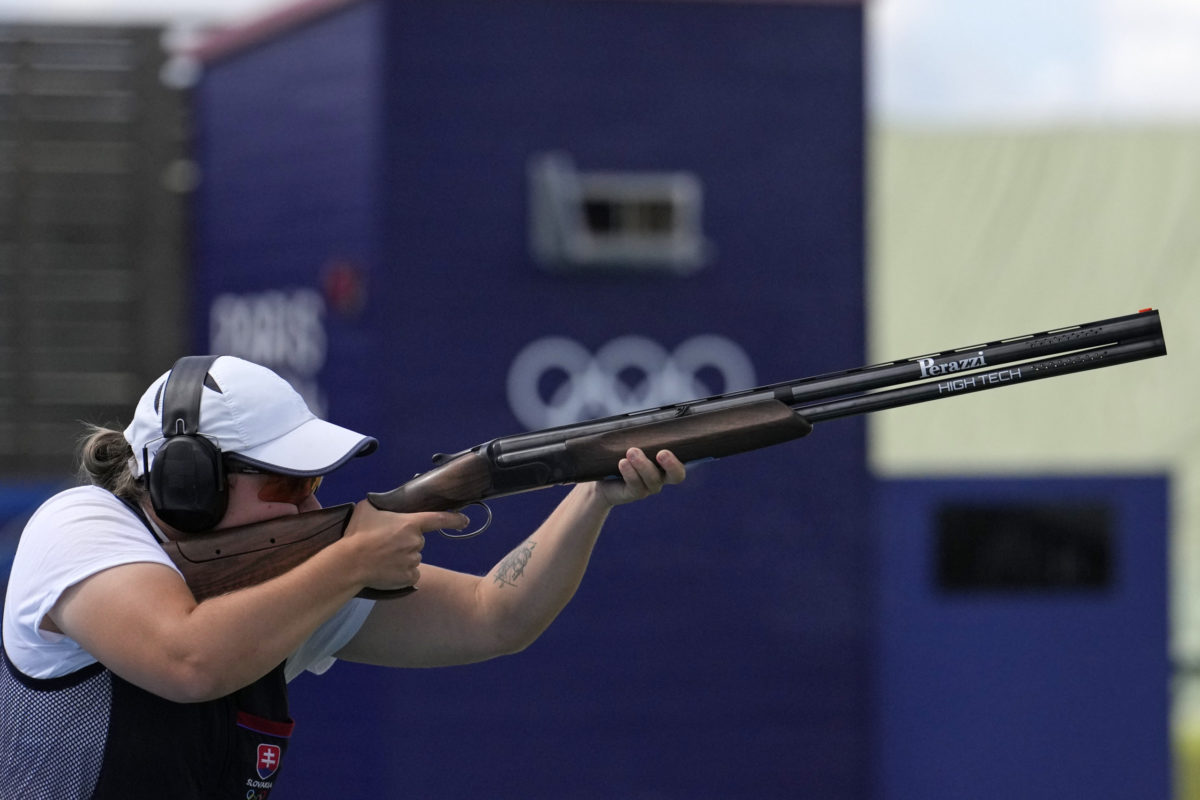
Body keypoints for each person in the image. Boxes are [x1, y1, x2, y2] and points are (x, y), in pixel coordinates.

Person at [0, 355, 685, 799]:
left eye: (315, 485)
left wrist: (593, 496)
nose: (312, 509)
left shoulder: (285, 584)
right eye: (284, 487)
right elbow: (188, 659)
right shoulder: (79, 528)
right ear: (189, 483)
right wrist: (352, 560)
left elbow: (493, 615)